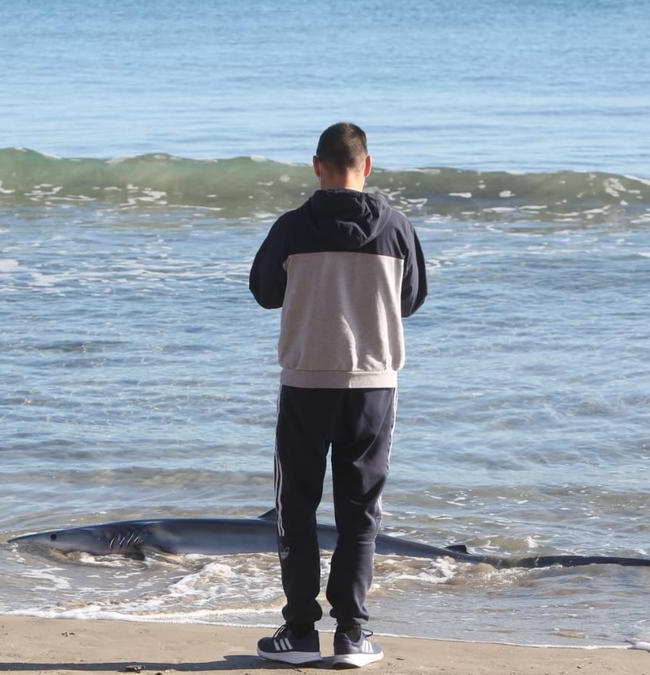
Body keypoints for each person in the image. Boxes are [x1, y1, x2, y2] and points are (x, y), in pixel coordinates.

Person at [249, 122, 427, 668]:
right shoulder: (396, 228)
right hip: (372, 387)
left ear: (317, 166)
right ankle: (352, 634)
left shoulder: (292, 227)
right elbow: (412, 300)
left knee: (295, 509)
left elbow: (263, 293)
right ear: (366, 166)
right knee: (360, 512)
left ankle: (300, 631)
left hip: (306, 384)